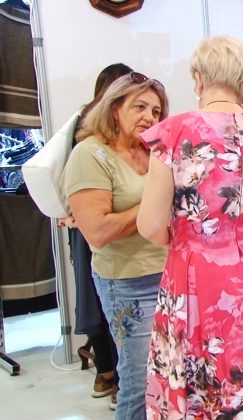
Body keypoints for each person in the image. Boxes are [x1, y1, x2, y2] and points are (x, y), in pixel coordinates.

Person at [137, 35, 243, 419]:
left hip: (200, 272)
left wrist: (186, 238)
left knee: (202, 366)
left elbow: (149, 223)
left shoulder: (175, 133)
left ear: (200, 78)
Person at [61, 71, 169, 420]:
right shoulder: (90, 154)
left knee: (168, 379)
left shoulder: (155, 153)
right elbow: (97, 231)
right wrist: (153, 207)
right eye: (140, 107)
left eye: (156, 111)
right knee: (139, 383)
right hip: (128, 284)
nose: (149, 117)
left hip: (170, 277)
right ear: (114, 109)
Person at [57, 63, 132, 410]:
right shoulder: (90, 136)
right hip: (99, 227)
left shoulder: (84, 124)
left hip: (90, 225)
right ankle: (114, 378)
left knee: (98, 302)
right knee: (105, 302)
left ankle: (106, 374)